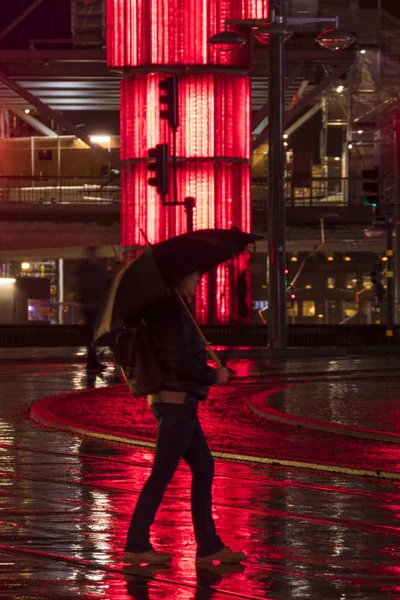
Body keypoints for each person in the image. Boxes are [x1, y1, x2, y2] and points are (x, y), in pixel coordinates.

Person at [123, 271, 246, 566]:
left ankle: (209, 547)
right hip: (177, 403)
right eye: (193, 276)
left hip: (177, 402)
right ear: (177, 281)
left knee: (204, 468)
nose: (198, 280)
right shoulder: (173, 312)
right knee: (161, 475)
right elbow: (180, 362)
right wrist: (213, 374)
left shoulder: (168, 310)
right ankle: (136, 544)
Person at [78, 246, 108, 370]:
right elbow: (89, 287)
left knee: (93, 334)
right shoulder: (88, 271)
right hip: (92, 305)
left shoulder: (91, 270)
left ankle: (93, 360)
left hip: (93, 304)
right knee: (92, 334)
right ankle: (92, 361)